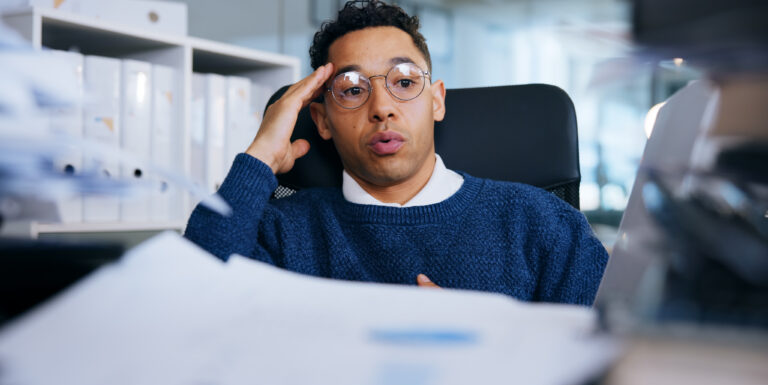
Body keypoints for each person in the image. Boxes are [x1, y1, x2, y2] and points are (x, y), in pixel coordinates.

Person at [185, 0, 608, 305]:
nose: (381, 106)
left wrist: (488, 346)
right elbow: (189, 305)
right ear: (323, 121)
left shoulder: (543, 224)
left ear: (437, 100)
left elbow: (611, 368)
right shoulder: (283, 231)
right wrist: (260, 156)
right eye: (352, 89)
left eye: (404, 82)